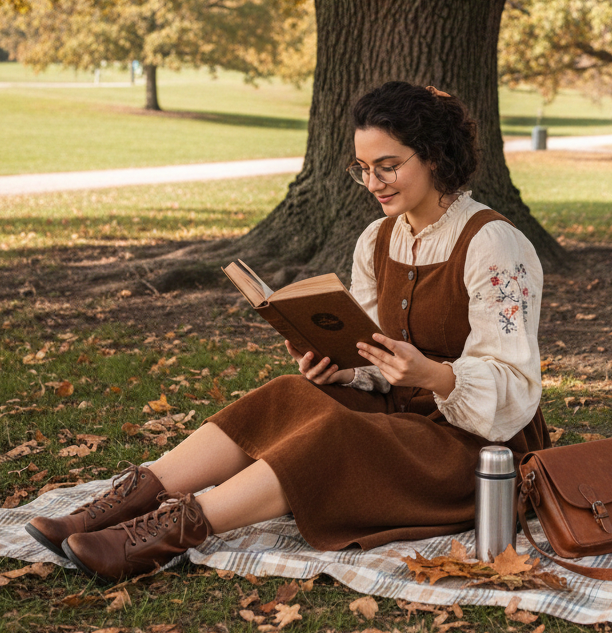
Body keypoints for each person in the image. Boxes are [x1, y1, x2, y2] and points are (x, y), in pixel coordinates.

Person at [25, 81, 550, 582]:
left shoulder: (494, 245)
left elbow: (516, 388)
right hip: (400, 415)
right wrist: (344, 369)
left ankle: (165, 535)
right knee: (288, 394)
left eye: (388, 166)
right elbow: (373, 350)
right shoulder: (376, 239)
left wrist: (432, 374)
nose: (373, 183)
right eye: (364, 169)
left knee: (334, 433)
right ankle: (117, 507)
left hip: (475, 449)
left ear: (434, 156)